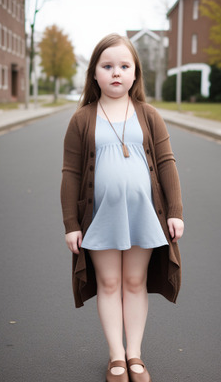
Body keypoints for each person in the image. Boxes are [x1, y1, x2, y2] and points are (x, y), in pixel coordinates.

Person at [61, 33, 184, 382]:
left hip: (143, 215)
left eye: (124, 66)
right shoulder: (82, 119)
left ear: (135, 74)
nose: (116, 72)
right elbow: (70, 174)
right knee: (110, 282)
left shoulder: (149, 114)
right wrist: (71, 223)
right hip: (100, 218)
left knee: (134, 281)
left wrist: (175, 211)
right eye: (108, 66)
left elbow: (166, 163)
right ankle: (116, 355)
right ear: (95, 73)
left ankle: (135, 355)